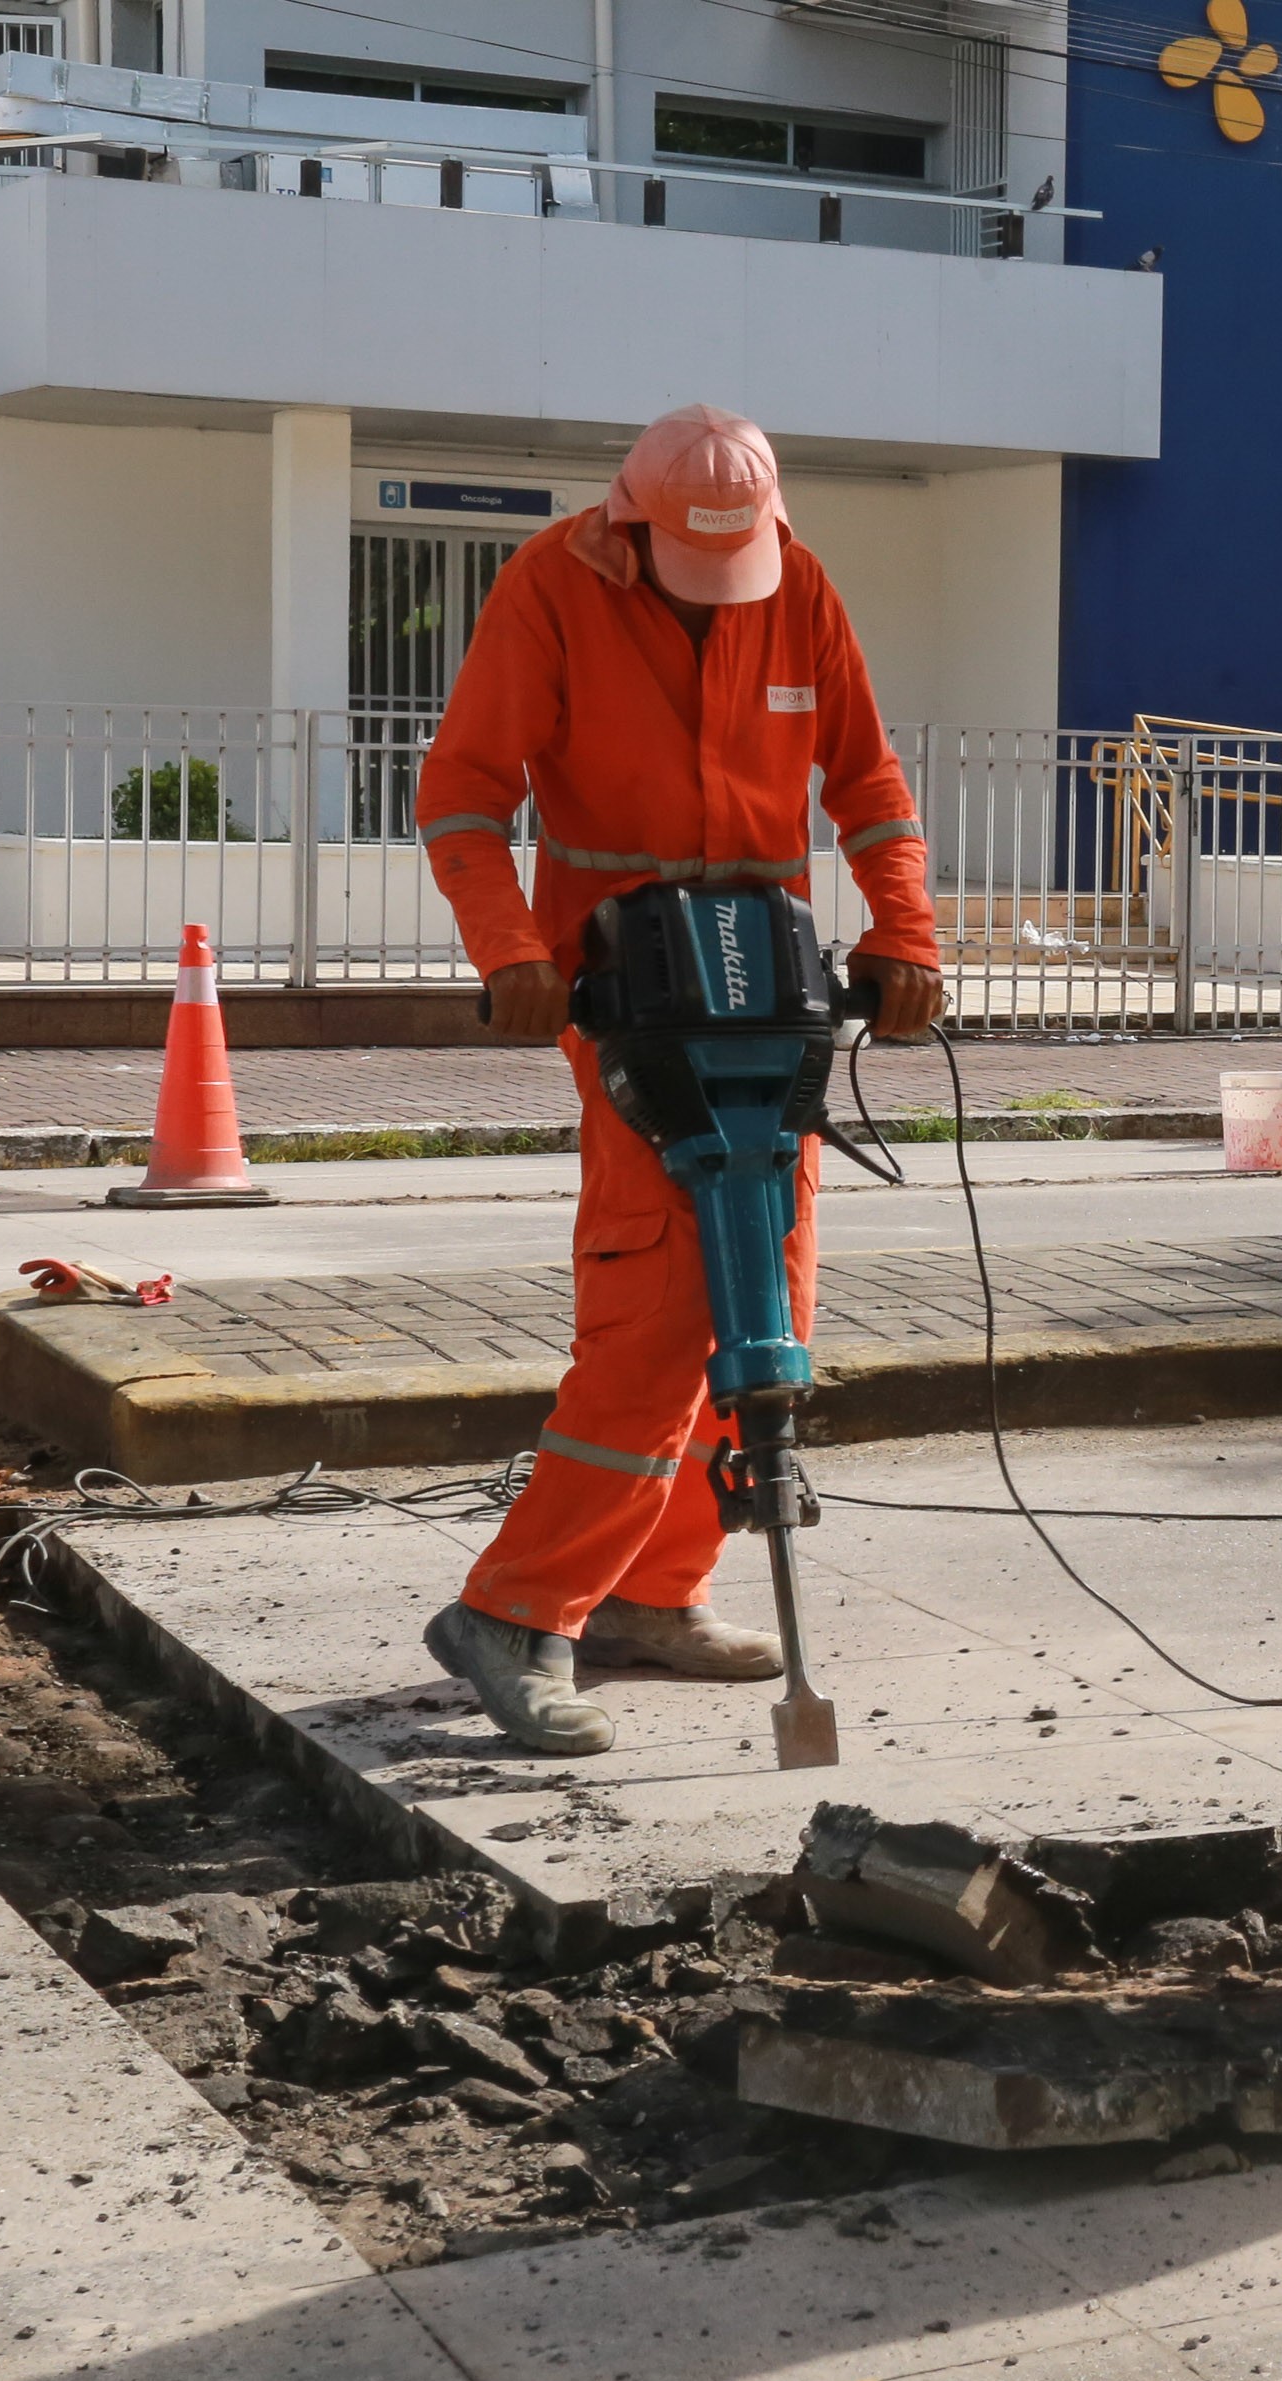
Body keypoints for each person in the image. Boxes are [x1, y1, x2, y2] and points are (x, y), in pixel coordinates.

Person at [407, 404, 947, 1756]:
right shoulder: (551, 587)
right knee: (660, 1309)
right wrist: (513, 949)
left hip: (765, 983)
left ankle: (653, 1592)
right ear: (629, 525)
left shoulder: (800, 586)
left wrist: (905, 933)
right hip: (626, 985)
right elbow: (464, 792)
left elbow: (868, 784)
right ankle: (513, 1609)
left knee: (767, 1302)